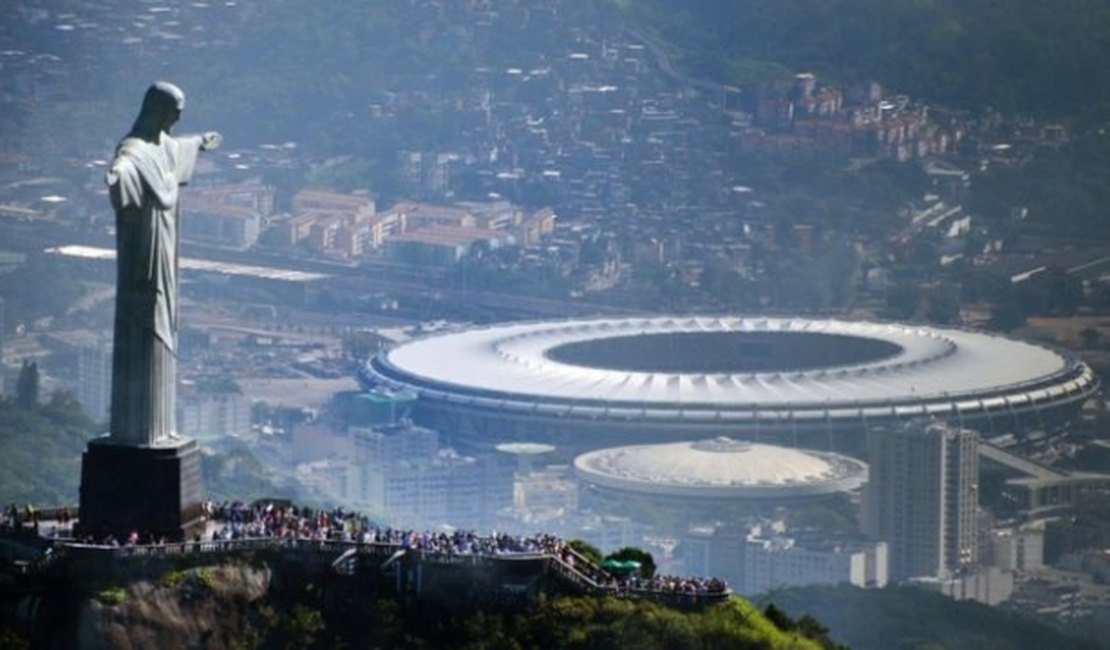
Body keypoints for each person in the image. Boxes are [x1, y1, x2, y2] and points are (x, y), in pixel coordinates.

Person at [106, 82, 221, 446]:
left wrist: (200, 142)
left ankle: (160, 429)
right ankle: (139, 431)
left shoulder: (163, 147)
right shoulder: (134, 150)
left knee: (166, 326)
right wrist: (119, 176)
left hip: (167, 251)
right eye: (175, 110)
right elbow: (124, 166)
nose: (179, 117)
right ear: (157, 109)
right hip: (144, 255)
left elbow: (176, 149)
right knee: (145, 324)